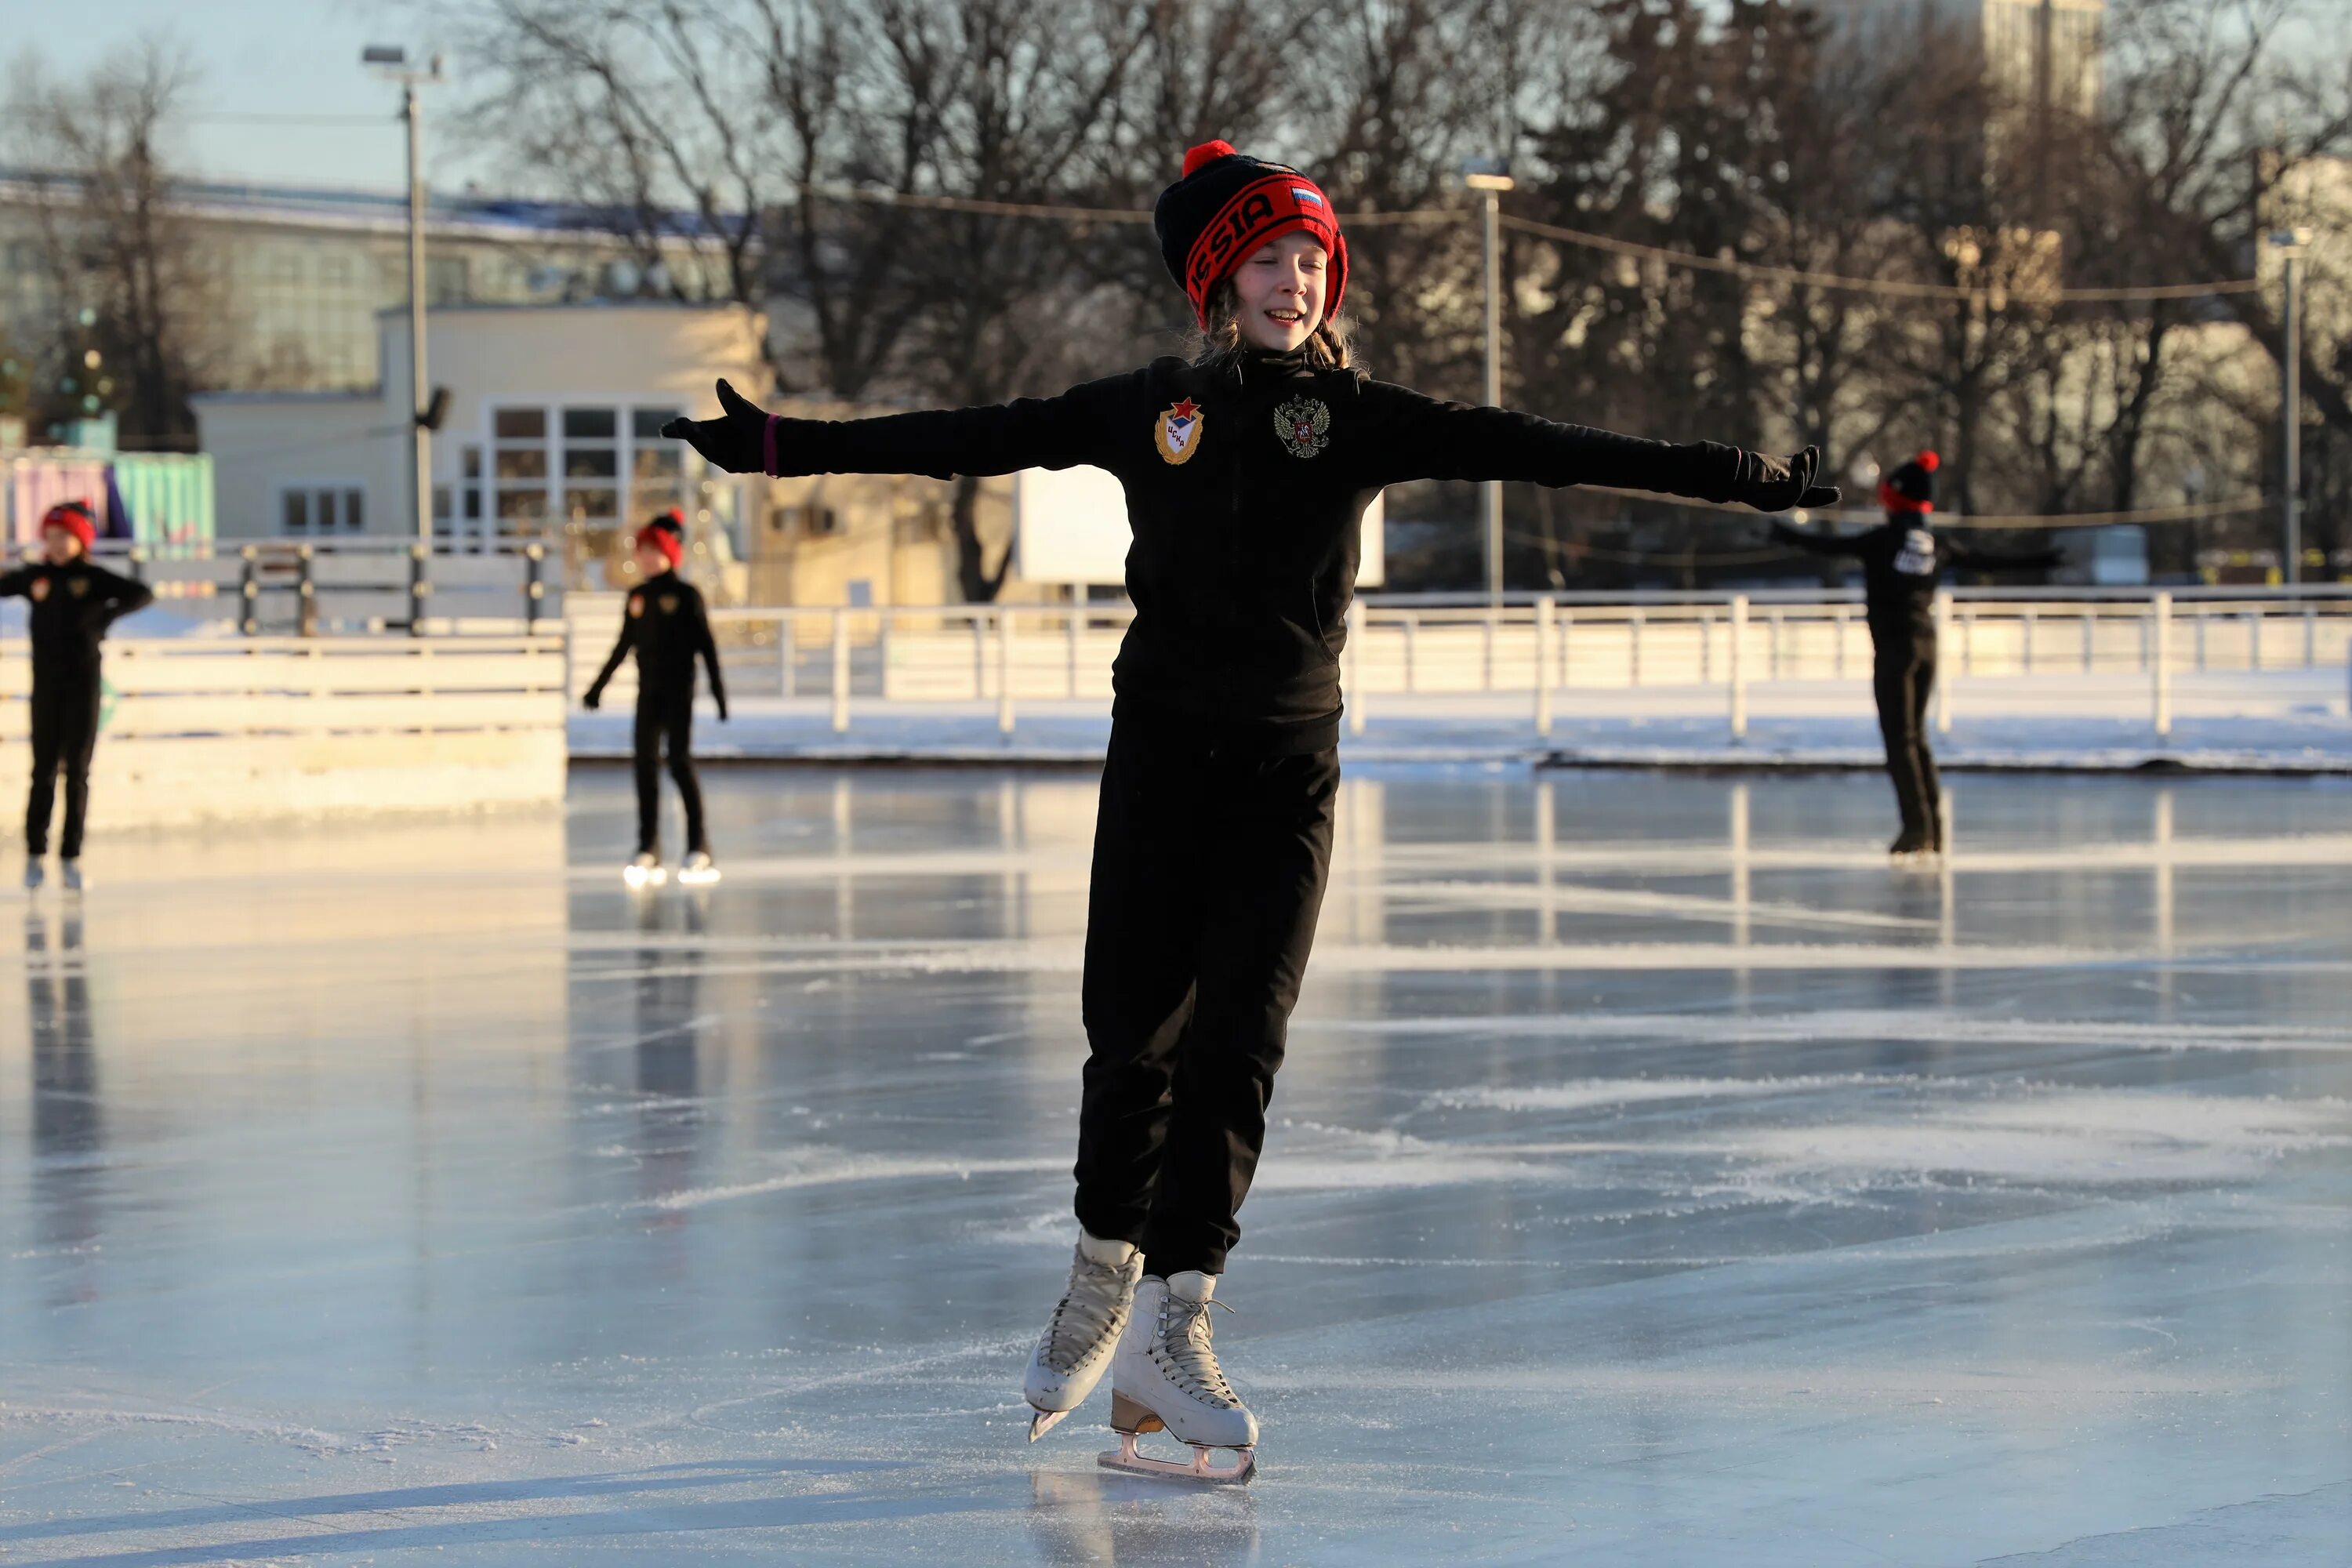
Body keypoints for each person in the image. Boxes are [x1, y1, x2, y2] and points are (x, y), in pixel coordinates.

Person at [664, 138, 1837, 1479]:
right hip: (1162, 754)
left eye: (1315, 259)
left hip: (1288, 766)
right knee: (1134, 1035)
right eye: (1275, 256)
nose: (1300, 281)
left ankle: (1178, 1318)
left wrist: (1737, 474)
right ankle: (1105, 1268)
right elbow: (971, 438)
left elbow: (1544, 450)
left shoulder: (1357, 416)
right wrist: (774, 447)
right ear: (1219, 274)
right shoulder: (1146, 406)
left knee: (1245, 1039)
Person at [1771, 451, 2060, 859]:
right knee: (1917, 740)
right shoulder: (1935, 542)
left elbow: (1829, 546)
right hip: (1927, 646)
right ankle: (1934, 828)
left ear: (1894, 501)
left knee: (1899, 741)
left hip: (1894, 648)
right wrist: (2041, 560)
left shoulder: (1882, 540)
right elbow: (1986, 559)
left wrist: (1784, 535)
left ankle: (1915, 829)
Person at [2, 500, 152, 892]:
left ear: (80, 540)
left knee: (78, 773)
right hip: (46, 688)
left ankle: (71, 856)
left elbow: (142, 593)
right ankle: (35, 853)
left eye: (64, 537)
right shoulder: (38, 577)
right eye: (50, 536)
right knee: (43, 771)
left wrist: (104, 619)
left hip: (83, 685)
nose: (56, 544)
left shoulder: (94, 578)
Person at [581, 510, 728, 887]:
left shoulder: (686, 596)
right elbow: (623, 645)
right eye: (642, 551)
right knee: (645, 767)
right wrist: (598, 687)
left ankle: (698, 845)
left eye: (653, 551)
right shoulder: (637, 597)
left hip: (679, 694)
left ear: (669, 554)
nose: (646, 558)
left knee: (679, 762)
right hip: (648, 695)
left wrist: (719, 691)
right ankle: (648, 845)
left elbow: (706, 647)